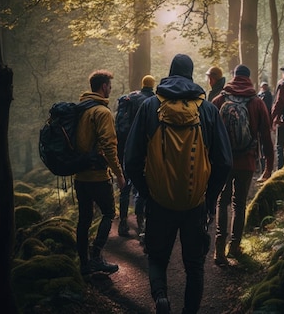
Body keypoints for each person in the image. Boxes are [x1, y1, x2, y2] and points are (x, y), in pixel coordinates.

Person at [125, 54, 232, 314]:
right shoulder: (207, 110)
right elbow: (225, 163)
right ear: (191, 74)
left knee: (157, 257)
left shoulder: (150, 107)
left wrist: (148, 192)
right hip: (194, 204)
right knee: (194, 266)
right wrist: (208, 198)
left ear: (170, 72)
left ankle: (161, 296)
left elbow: (131, 160)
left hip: (159, 202)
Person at [211, 64, 274, 265]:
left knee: (223, 201)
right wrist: (268, 166)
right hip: (246, 161)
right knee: (239, 204)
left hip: (223, 162)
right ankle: (235, 247)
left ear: (233, 76)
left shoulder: (219, 100)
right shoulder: (257, 102)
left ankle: (219, 250)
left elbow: (209, 136)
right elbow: (266, 137)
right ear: (249, 79)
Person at [75, 69, 126, 275]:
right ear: (103, 86)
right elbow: (109, 147)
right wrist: (119, 174)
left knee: (84, 219)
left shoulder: (81, 110)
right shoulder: (102, 112)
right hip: (97, 176)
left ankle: (84, 264)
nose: (110, 89)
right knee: (108, 213)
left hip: (79, 176)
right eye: (109, 86)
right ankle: (96, 256)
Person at [117, 74, 156, 239]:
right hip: (141, 148)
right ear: (152, 85)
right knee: (142, 187)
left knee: (125, 186)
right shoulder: (153, 101)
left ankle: (123, 221)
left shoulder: (129, 98)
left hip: (124, 146)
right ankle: (141, 223)